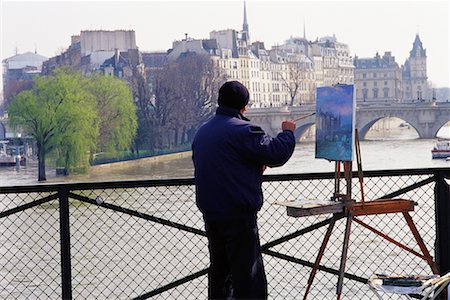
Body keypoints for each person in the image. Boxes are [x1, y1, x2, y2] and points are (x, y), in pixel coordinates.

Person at [192, 80, 296, 299]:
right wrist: (287, 133)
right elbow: (276, 153)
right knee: (247, 274)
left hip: (211, 213)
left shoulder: (202, 132)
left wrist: (252, 170)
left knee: (220, 270)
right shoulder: (243, 130)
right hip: (237, 213)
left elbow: (222, 166)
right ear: (244, 107)